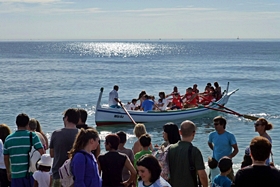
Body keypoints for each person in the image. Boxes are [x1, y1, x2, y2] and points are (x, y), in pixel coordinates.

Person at [4, 113, 44, 187]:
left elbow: (6, 158)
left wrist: (8, 172)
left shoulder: (8, 139)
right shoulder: (33, 136)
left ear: (16, 123)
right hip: (30, 173)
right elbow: (42, 152)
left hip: (15, 175)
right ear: (28, 123)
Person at [168, 120, 208, 187]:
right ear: (194, 133)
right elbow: (202, 175)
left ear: (180, 132)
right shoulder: (195, 151)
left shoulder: (170, 149)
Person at [49, 108, 80, 187]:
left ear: (66, 118)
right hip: (76, 175)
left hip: (58, 174)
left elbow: (52, 154)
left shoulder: (56, 134)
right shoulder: (81, 134)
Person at [208, 116, 238, 181]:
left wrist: (229, 157)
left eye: (216, 124)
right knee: (213, 180)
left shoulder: (229, 136)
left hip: (226, 163)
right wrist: (214, 150)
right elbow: (209, 143)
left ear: (222, 125)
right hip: (215, 162)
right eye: (214, 124)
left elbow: (236, 149)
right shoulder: (212, 135)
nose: (214, 126)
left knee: (231, 181)